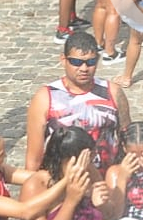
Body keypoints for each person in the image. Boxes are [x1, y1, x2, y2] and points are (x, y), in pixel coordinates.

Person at [25, 31, 132, 173]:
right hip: (62, 181)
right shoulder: (45, 98)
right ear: (63, 60)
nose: (84, 69)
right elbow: (33, 159)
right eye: (76, 62)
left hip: (105, 179)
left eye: (91, 62)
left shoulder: (113, 93)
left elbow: (128, 141)